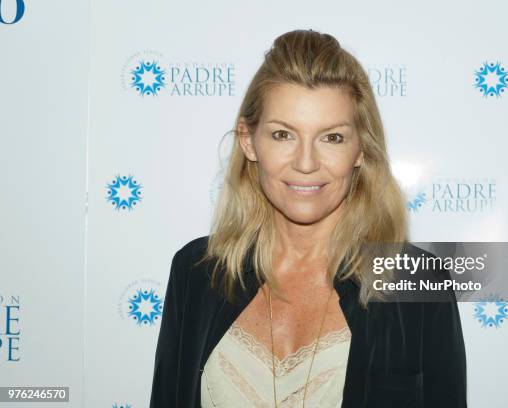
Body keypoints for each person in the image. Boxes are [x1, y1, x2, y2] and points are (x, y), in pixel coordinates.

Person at [149, 29, 467, 408]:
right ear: (249, 141)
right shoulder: (195, 272)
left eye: (331, 138)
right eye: (283, 134)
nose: (305, 163)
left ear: (360, 149)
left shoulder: (417, 282)